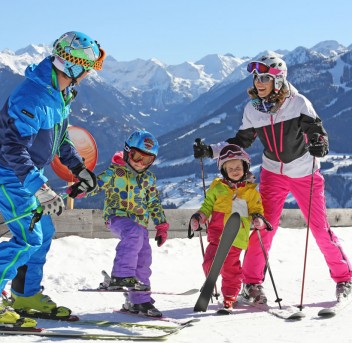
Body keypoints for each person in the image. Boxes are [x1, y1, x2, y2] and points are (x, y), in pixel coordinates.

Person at [193, 54, 352, 303]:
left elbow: (316, 130)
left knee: (319, 229)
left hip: (303, 173)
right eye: (256, 77)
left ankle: (344, 278)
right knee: (262, 228)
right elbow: (241, 142)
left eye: (265, 77)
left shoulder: (298, 103)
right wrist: (211, 150)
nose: (259, 82)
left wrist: (320, 142)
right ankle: (252, 284)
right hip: (272, 174)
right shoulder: (253, 109)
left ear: (278, 80)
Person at [0, 31, 105, 326]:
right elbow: (12, 149)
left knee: (41, 235)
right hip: (9, 175)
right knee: (27, 238)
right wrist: (41, 188)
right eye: (87, 69)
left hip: (26, 175)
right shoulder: (31, 98)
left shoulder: (60, 93)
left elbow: (59, 140)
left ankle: (25, 294)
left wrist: (79, 168)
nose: (87, 76)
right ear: (73, 67)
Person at [80, 129, 169, 317]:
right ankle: (121, 275)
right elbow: (97, 184)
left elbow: (154, 203)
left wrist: (161, 225)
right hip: (117, 217)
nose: (140, 163)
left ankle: (139, 301)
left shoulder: (149, 179)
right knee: (133, 233)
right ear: (128, 151)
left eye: (147, 160)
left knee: (144, 260)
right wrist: (81, 189)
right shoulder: (115, 171)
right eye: (137, 157)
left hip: (140, 224)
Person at [190, 144, 271, 312]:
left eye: (238, 167)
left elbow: (257, 210)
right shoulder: (217, 188)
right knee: (209, 262)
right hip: (216, 234)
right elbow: (207, 207)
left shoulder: (250, 193)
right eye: (230, 168)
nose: (235, 171)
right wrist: (199, 217)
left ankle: (230, 296)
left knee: (230, 268)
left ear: (245, 168)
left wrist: (258, 220)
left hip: (236, 237)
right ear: (224, 170)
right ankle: (211, 278)